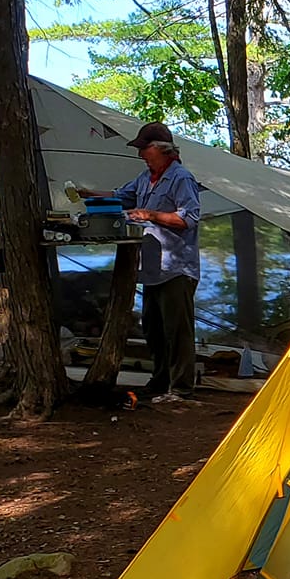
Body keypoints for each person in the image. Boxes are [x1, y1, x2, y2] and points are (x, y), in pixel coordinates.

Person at [93, 122, 201, 404]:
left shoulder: (181, 179)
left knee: (178, 331)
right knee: (154, 329)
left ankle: (181, 390)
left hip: (177, 268)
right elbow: (119, 196)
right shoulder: (144, 179)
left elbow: (188, 219)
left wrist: (151, 215)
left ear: (162, 149)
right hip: (152, 269)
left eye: (145, 148)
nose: (141, 153)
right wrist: (86, 194)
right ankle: (160, 381)